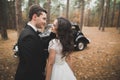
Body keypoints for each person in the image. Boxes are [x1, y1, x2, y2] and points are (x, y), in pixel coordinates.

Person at [15, 4, 47, 80]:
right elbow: (32, 65)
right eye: (44, 19)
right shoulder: (28, 36)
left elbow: (38, 49)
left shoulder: (32, 32)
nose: (45, 22)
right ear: (35, 17)